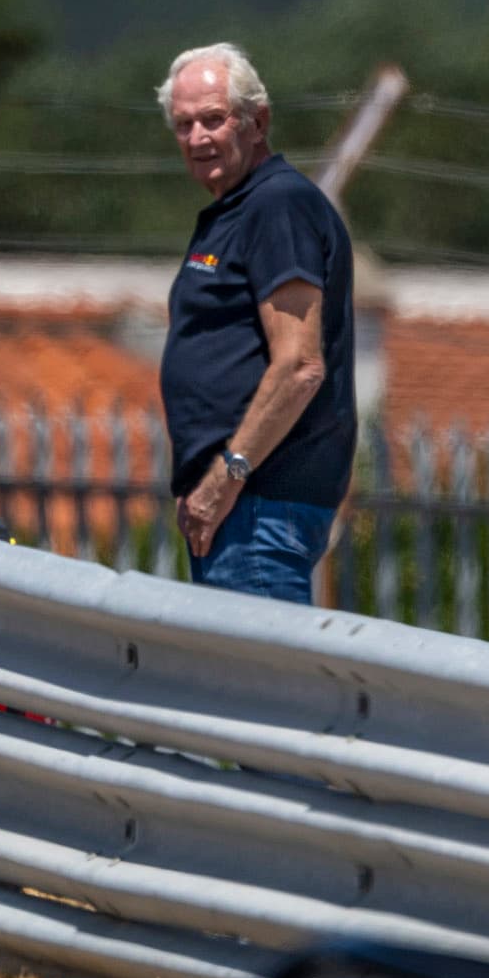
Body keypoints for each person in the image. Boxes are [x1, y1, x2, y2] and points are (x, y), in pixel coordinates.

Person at [157, 42, 355, 604]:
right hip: (240, 504)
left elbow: (299, 366)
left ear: (257, 121)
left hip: (259, 503)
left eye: (214, 120)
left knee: (257, 686)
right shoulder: (237, 208)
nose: (198, 139)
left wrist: (225, 477)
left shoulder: (276, 205)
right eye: (184, 125)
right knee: (237, 684)